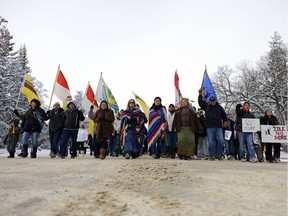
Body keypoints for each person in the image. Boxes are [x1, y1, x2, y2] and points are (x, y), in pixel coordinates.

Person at [198, 94, 227, 161]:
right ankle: (212, 155)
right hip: (209, 127)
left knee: (221, 140)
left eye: (213, 101)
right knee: (211, 142)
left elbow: (224, 115)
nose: (212, 102)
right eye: (211, 101)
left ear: (215, 101)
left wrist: (225, 121)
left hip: (218, 127)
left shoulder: (219, 107)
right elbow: (200, 103)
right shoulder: (207, 106)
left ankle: (219, 155)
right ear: (209, 101)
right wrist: (200, 95)